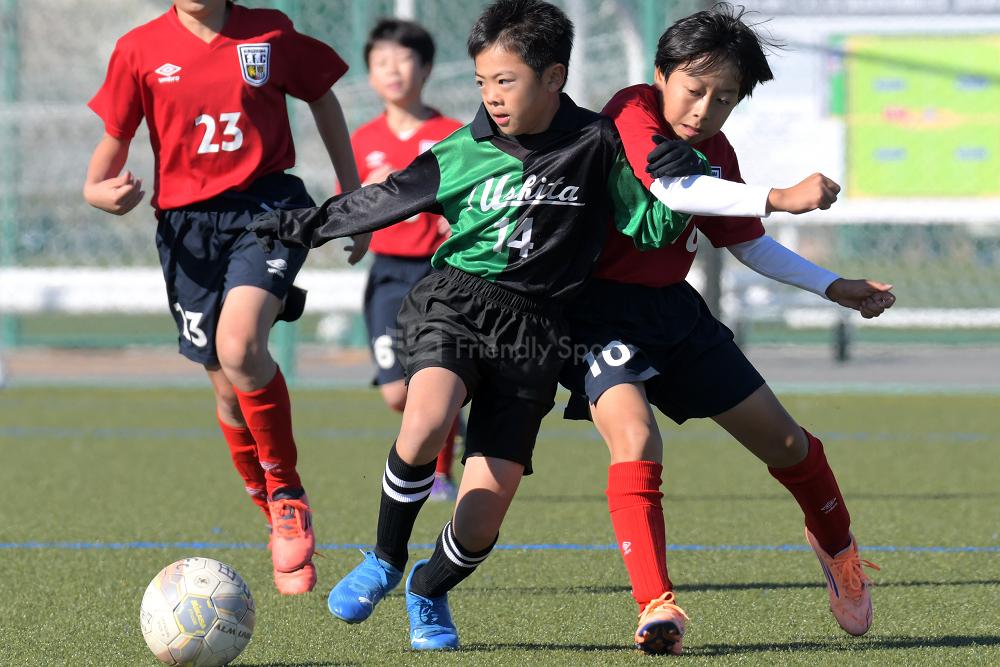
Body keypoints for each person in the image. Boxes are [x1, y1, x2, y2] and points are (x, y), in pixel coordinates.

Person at [248, 0, 698, 649]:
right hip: (458, 301)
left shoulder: (597, 144)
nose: (491, 95)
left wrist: (681, 188)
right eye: (483, 81)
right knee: (427, 416)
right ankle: (384, 557)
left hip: (537, 332)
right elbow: (388, 196)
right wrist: (308, 225)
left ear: (554, 77)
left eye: (505, 81)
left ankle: (428, 587)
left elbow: (647, 227)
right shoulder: (465, 148)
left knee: (485, 512)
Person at [558, 3, 894, 654]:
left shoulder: (717, 150)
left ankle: (838, 549)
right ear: (661, 75)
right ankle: (657, 605)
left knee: (790, 444)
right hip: (594, 315)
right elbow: (672, 189)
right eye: (694, 88)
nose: (705, 108)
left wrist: (834, 286)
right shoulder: (630, 111)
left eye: (725, 98)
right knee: (635, 437)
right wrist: (781, 195)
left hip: (673, 313)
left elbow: (747, 243)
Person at [83, 0, 368, 595]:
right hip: (186, 231)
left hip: (267, 209)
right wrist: (98, 192)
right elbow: (109, 150)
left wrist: (354, 198)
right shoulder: (139, 49)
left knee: (240, 346)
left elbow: (322, 97)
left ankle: (287, 494)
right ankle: (270, 510)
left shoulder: (268, 31)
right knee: (228, 393)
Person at [353, 18, 465, 502]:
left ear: (426, 68)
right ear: (370, 74)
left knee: (433, 380)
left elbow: (478, 199)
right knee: (397, 393)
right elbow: (350, 205)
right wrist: (365, 197)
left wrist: (455, 219)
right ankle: (450, 421)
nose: (393, 71)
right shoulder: (362, 139)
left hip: (440, 275)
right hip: (388, 275)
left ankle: (439, 473)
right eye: (381, 62)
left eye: (403, 60)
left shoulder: (453, 135)